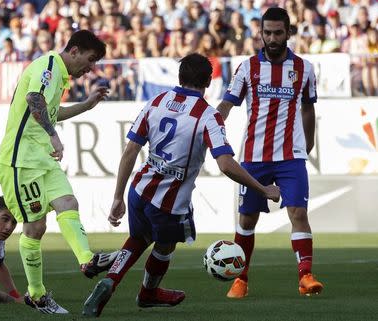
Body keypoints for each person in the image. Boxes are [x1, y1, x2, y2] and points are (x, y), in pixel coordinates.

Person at [82, 53, 280, 317]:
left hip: (139, 190)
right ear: (209, 81)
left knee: (139, 239)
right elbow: (225, 164)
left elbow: (130, 151)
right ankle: (148, 292)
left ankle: (110, 277)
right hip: (169, 201)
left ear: (179, 77)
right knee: (164, 246)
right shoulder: (208, 116)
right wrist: (263, 189)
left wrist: (118, 196)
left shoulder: (157, 101)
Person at [0, 29, 118, 314]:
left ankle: (87, 260)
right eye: (89, 60)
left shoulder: (58, 74)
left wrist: (86, 105)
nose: (90, 69)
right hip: (20, 160)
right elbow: (33, 99)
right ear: (73, 51)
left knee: (68, 203)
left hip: (43, 159)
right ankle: (37, 295)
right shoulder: (48, 66)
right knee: (35, 226)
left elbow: (50, 112)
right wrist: (53, 135)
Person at [216, 7, 324, 299]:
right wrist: (212, 124)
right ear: (260, 34)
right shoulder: (247, 67)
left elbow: (308, 107)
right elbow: (227, 103)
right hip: (254, 157)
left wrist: (308, 144)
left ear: (288, 33)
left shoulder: (305, 68)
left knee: (298, 213)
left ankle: (305, 276)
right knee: (248, 219)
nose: (272, 38)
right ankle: (241, 279)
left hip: (291, 156)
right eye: (267, 33)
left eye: (278, 32)